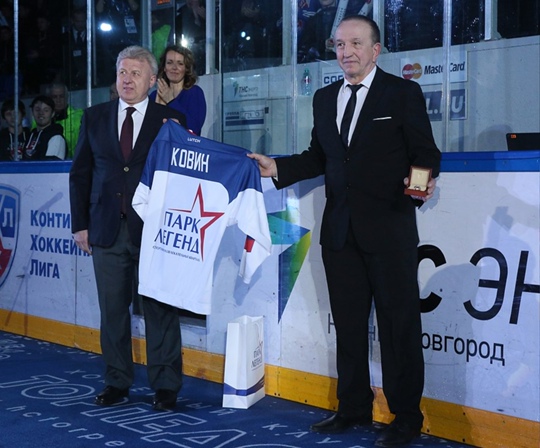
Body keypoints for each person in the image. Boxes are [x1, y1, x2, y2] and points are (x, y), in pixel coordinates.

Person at [248, 15, 441, 447]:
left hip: (389, 231)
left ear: (376, 50)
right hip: (339, 234)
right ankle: (352, 407)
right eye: (339, 44)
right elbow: (319, 157)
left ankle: (406, 416)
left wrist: (419, 186)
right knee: (349, 327)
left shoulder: (402, 93)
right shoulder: (323, 98)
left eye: (355, 43)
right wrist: (277, 167)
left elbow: (425, 154)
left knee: (398, 328)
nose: (346, 52)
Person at [69, 45, 187, 412]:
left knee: (160, 311)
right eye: (123, 72)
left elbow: (184, 175)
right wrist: (80, 225)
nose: (127, 79)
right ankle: (117, 381)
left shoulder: (171, 119)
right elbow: (80, 174)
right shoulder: (94, 117)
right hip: (105, 230)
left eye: (136, 73)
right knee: (112, 312)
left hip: (154, 233)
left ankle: (165, 386)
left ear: (152, 81)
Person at [149, 45, 206, 136]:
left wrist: (171, 101)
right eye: (169, 63)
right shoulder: (153, 96)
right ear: (164, 67)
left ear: (186, 68)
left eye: (180, 64)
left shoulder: (195, 93)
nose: (174, 67)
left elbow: (194, 128)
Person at [45, 83, 84, 159]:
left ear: (67, 97)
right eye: (54, 97)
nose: (58, 100)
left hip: (74, 162)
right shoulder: (41, 118)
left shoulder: (79, 116)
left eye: (61, 96)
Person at [23, 95, 66, 160]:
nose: (41, 113)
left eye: (46, 110)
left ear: (53, 114)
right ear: (32, 112)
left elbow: (50, 165)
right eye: (37, 110)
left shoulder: (56, 138)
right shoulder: (30, 136)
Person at [62, 8, 87, 89]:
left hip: (88, 79)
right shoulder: (64, 38)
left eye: (83, 21)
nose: (80, 24)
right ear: (72, 21)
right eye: (78, 21)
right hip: (69, 80)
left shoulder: (94, 38)